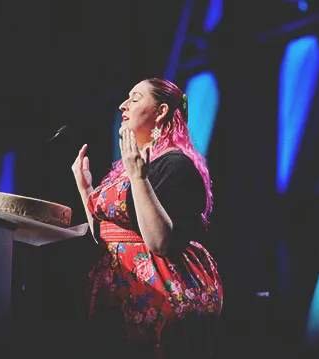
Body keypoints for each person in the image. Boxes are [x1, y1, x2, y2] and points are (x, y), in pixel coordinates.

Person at [71, 78, 223, 359]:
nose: (122, 105)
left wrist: (138, 176)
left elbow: (159, 243)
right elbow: (103, 235)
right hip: (116, 289)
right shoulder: (126, 167)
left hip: (153, 294)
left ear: (161, 110)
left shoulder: (175, 164)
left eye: (135, 98)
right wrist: (85, 188)